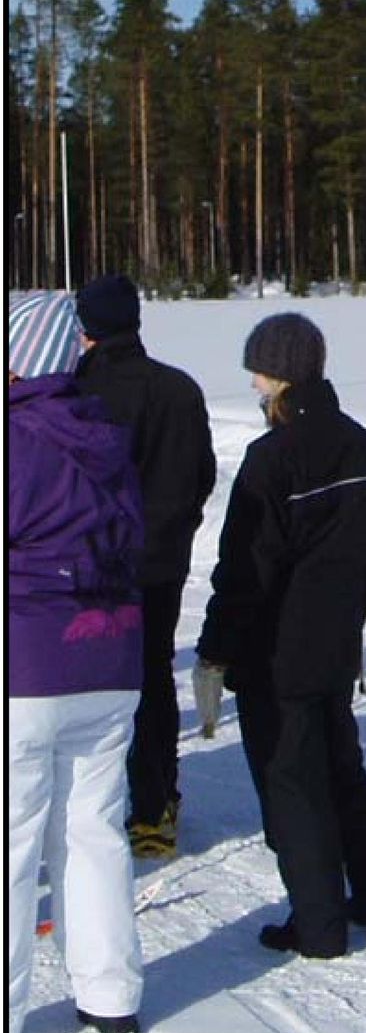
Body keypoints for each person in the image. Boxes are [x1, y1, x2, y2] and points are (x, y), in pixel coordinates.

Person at [194, 313, 366, 959]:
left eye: (259, 373)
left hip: (278, 655)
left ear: (284, 374)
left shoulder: (272, 459)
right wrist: (354, 619)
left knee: (294, 785)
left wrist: (214, 652)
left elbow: (244, 573)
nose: (255, 386)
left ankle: (319, 927)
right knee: (341, 767)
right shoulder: (364, 446)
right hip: (335, 645)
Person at [8, 291, 145, 1033]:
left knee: (15, 839)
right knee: (94, 832)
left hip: (28, 666)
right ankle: (111, 996)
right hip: (109, 659)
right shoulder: (106, 434)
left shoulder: (14, 438)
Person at [74, 274, 216, 858]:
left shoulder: (75, 393)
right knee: (152, 675)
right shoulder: (178, 389)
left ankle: (99, 804)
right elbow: (201, 477)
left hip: (95, 565)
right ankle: (155, 807)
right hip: (160, 563)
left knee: (93, 682)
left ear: (87, 331)